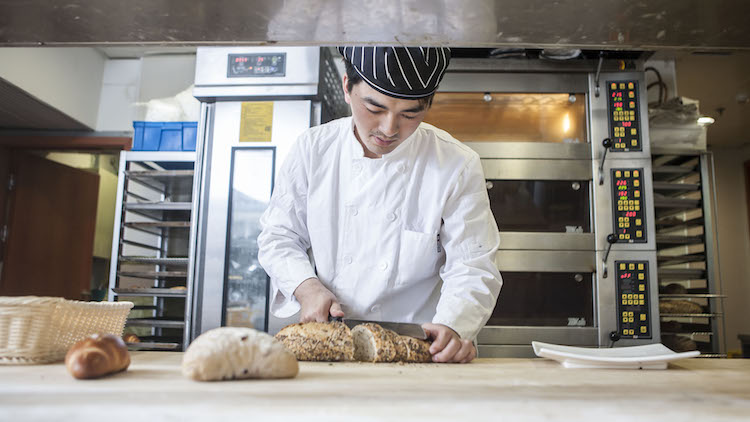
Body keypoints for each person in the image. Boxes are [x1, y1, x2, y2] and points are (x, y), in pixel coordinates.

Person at [258, 46, 502, 363]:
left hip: (421, 348)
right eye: (374, 108)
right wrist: (307, 287)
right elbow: (279, 236)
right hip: (331, 342)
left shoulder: (457, 164)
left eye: (410, 114)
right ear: (347, 87)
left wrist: (453, 325)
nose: (388, 129)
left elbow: (473, 264)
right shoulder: (313, 149)